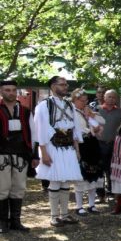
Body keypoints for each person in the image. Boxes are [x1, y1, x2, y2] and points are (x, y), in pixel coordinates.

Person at [34, 76, 84, 227]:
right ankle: (54, 216)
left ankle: (65, 214)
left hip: (68, 147)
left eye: (66, 84)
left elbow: (75, 127)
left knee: (66, 180)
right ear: (53, 86)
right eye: (62, 84)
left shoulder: (69, 105)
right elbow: (40, 130)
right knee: (55, 180)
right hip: (52, 146)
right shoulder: (44, 105)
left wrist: (77, 149)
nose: (65, 87)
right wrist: (44, 153)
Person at [0, 80, 39, 233]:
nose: (11, 93)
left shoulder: (25, 111)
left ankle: (15, 221)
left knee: (18, 188)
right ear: (2, 92)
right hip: (1, 154)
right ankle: (2, 222)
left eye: (13, 90)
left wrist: (35, 155)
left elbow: (33, 134)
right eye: (7, 90)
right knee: (2, 189)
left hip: (21, 155)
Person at [71, 88, 105, 215]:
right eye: (82, 100)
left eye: (86, 100)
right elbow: (75, 130)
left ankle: (92, 204)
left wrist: (92, 114)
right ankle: (79, 206)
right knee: (82, 175)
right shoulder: (71, 112)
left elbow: (102, 122)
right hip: (81, 145)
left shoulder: (87, 111)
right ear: (75, 100)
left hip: (92, 144)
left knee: (95, 175)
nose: (84, 103)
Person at [97, 89, 121, 204]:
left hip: (114, 144)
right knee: (99, 170)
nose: (111, 99)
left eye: (114, 97)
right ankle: (100, 194)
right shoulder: (97, 110)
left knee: (112, 169)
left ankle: (111, 192)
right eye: (109, 97)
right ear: (104, 98)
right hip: (98, 144)